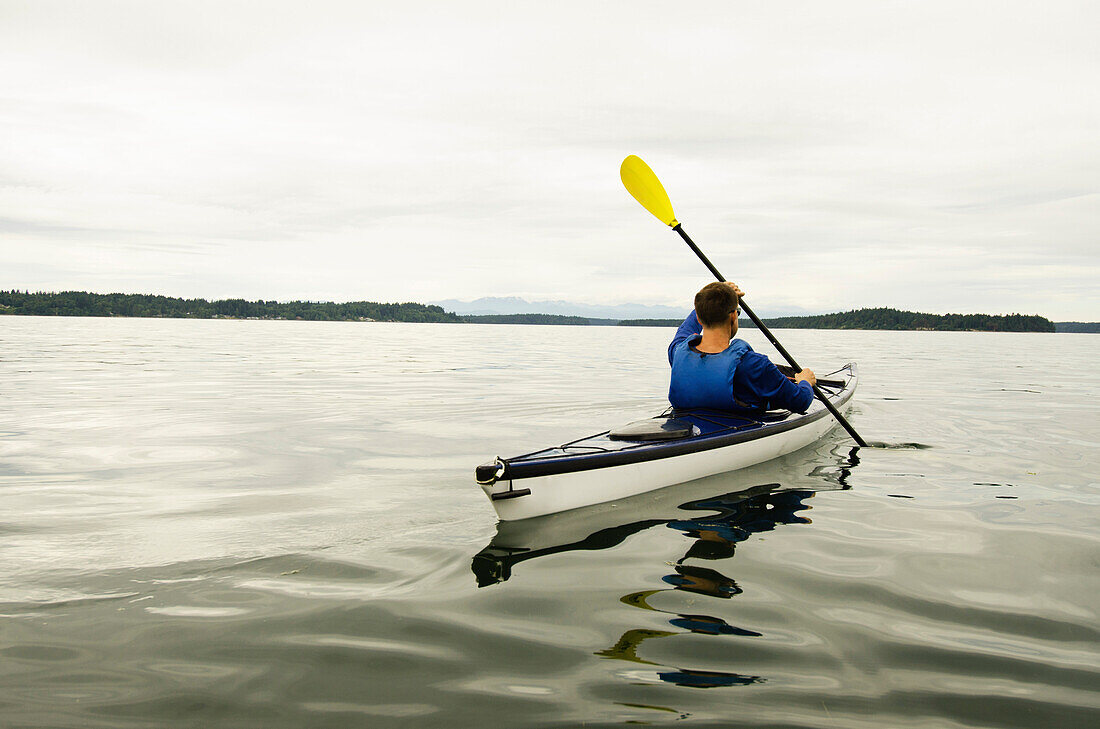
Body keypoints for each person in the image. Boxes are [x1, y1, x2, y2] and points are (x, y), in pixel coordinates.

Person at [668, 282, 817, 413]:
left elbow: (685, 329)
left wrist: (710, 299)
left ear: (699, 318)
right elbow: (801, 401)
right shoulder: (754, 365)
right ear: (733, 316)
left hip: (686, 427)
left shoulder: (677, 352)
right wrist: (805, 382)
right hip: (733, 432)